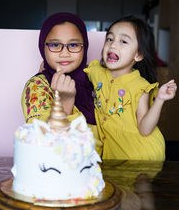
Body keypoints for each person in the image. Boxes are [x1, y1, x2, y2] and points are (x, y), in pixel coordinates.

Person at [84, 15, 177, 160]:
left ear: (138, 55)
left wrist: (160, 99)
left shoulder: (140, 87)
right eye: (110, 39)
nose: (113, 45)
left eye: (123, 41)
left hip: (141, 155)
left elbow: (145, 129)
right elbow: (75, 72)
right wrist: (47, 70)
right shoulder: (96, 71)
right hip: (114, 155)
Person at [21, 12, 102, 154]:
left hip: (106, 167)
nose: (65, 53)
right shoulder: (37, 86)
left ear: (85, 46)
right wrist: (65, 102)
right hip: (63, 170)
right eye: (55, 45)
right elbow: (43, 142)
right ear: (43, 47)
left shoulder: (97, 79)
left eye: (73, 44)